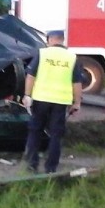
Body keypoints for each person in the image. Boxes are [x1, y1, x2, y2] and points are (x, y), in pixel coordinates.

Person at [22, 30, 84, 174]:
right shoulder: (72, 57)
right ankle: (51, 168)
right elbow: (77, 83)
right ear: (62, 40)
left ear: (49, 40)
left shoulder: (42, 53)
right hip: (60, 101)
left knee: (35, 131)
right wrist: (77, 103)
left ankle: (32, 164)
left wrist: (27, 95)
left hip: (40, 99)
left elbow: (30, 76)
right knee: (56, 135)